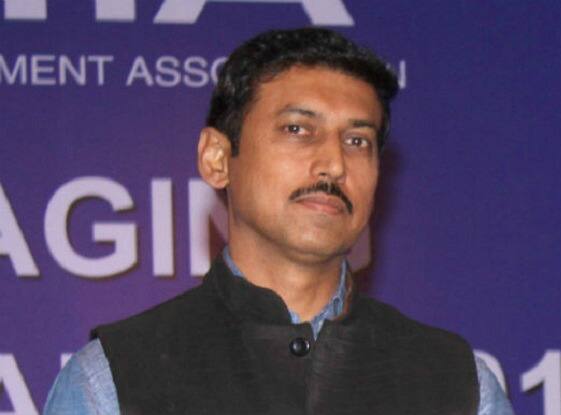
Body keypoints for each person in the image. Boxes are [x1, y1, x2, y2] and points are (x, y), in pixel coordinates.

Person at [44, 28, 514, 415]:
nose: (333, 164)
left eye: (357, 141)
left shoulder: (458, 384)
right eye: (298, 130)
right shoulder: (114, 378)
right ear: (217, 158)